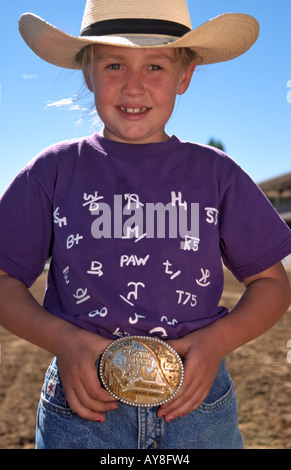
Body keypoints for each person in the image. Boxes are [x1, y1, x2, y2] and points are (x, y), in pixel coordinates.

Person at [0, 0, 290, 450]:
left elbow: (272, 284)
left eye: (155, 66)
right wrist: (64, 340)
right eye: (114, 64)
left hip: (198, 407)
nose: (133, 87)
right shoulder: (52, 172)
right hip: (82, 409)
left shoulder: (217, 174)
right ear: (88, 73)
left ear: (184, 76)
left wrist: (215, 342)